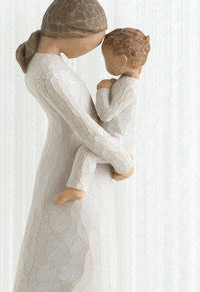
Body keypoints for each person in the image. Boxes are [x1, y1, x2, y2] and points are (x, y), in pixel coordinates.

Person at [0, 0, 134, 292]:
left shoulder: (52, 65)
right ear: (73, 35)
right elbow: (86, 129)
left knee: (74, 274)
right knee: (76, 275)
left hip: (80, 175)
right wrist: (124, 159)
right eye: (92, 44)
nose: (94, 52)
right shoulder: (49, 72)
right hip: (73, 185)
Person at [55, 28, 151, 205]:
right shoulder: (125, 83)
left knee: (86, 153)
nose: (106, 65)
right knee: (89, 151)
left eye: (108, 61)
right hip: (112, 136)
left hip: (117, 139)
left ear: (122, 60)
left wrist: (102, 89)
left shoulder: (130, 87)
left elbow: (106, 114)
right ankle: (120, 165)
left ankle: (76, 188)